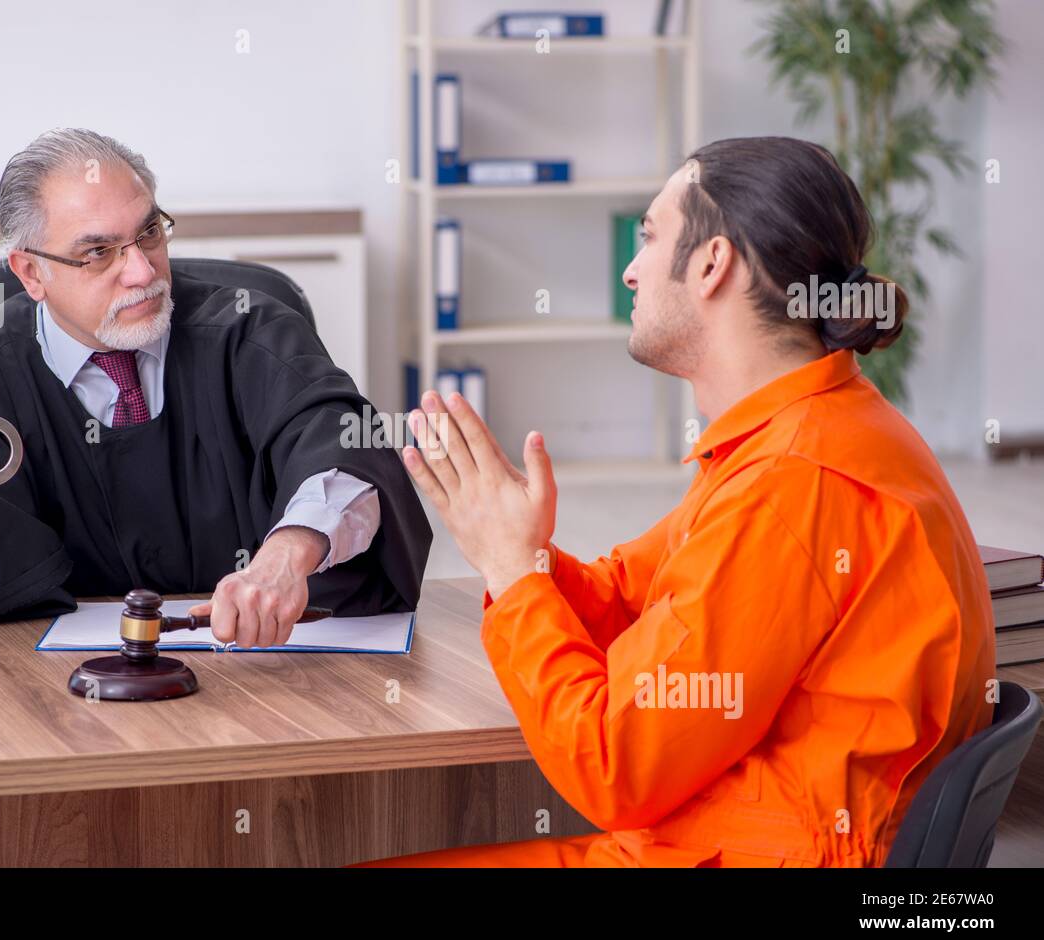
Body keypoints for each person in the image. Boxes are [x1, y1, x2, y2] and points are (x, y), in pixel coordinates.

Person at [358, 136, 995, 867]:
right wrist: (525, 549)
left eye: (649, 237)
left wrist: (513, 575)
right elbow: (636, 599)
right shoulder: (816, 428)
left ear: (712, 263)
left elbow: (613, 763)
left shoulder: (792, 486)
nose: (629, 270)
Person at [0, 129, 431, 646]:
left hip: (260, 668)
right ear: (30, 272)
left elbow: (344, 448)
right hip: (51, 699)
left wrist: (286, 556)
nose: (143, 272)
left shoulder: (250, 330)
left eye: (148, 235)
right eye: (97, 252)